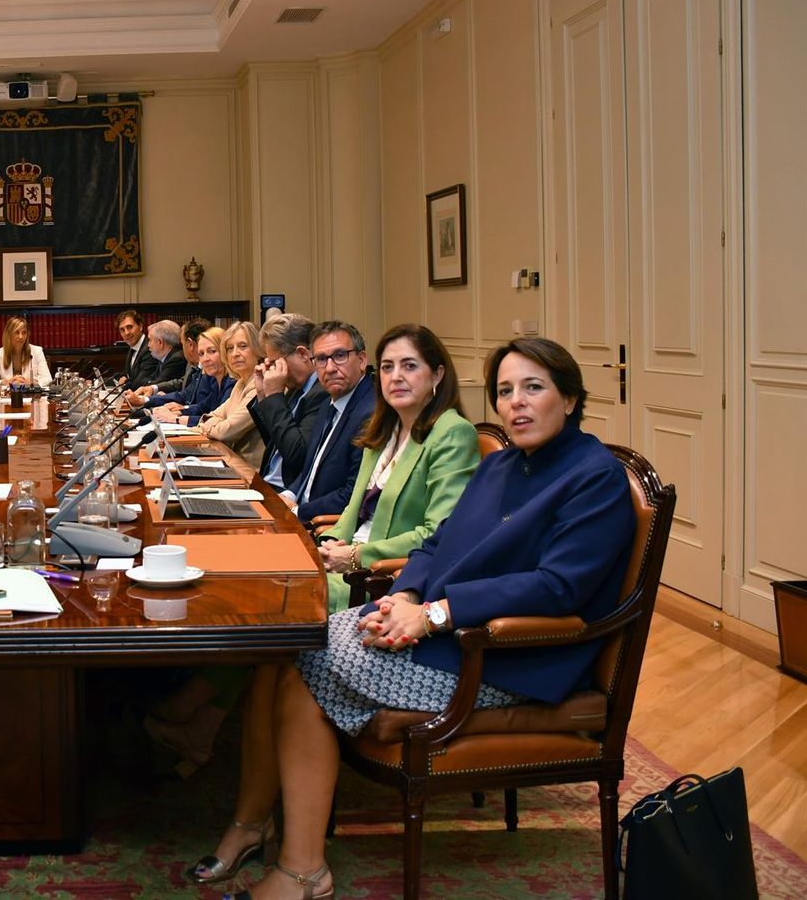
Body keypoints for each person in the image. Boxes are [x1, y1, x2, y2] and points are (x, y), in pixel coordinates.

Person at [197, 338, 634, 899]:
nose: (516, 403)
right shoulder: (501, 464)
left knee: (305, 657)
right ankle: (283, 850)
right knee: (291, 651)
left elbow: (557, 587)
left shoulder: (595, 476)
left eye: (534, 388)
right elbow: (437, 544)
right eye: (505, 391)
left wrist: (434, 614)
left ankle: (296, 865)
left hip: (510, 657)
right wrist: (403, 596)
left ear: (569, 398)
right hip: (444, 630)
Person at [314, 324, 479, 611]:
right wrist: (329, 546)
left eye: (409, 366)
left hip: (382, 580)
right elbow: (352, 511)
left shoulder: (453, 432)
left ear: (437, 374)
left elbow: (437, 534)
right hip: (344, 562)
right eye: (388, 367)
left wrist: (355, 556)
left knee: (278, 594)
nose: (396, 376)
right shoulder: (381, 429)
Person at [278, 321, 377, 522]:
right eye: (321, 359)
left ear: (361, 360)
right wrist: (288, 495)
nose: (330, 368)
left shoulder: (371, 413)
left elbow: (353, 494)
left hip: (325, 526)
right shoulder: (328, 403)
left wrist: (298, 512)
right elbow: (311, 468)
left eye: (340, 356)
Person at [249, 314, 323, 490]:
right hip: (267, 482)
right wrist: (263, 395)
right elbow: (275, 441)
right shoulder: (296, 389)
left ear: (303, 354)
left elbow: (297, 454)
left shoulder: (322, 393)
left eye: (276, 362)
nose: (274, 370)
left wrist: (275, 395)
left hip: (287, 491)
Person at [192, 320, 265, 466]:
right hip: (231, 461)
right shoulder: (240, 383)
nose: (235, 354)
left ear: (258, 349)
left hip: (249, 470)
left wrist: (209, 427)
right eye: (230, 348)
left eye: (243, 346)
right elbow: (211, 416)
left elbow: (227, 431)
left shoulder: (261, 384)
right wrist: (214, 424)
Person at [152, 327, 234, 426]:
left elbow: (218, 421)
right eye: (201, 354)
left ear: (225, 351)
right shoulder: (216, 383)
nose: (205, 359)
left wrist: (176, 418)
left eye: (212, 351)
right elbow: (202, 408)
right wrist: (178, 412)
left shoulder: (232, 383)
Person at [128, 319, 208, 407]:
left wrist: (182, 410)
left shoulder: (209, 369)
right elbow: (183, 388)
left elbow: (203, 407)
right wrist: (154, 391)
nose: (148, 345)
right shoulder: (191, 364)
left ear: (190, 344)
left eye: (182, 344)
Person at [0, 315, 52, 388]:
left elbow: (48, 379)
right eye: (17, 332)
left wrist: (32, 382)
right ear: (9, 334)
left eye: (24, 332)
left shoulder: (37, 351)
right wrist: (6, 382)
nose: (21, 337)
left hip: (31, 394)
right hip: (8, 394)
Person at [144, 320, 190, 390]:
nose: (148, 345)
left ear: (160, 342)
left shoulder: (177, 359)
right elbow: (151, 378)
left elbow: (156, 383)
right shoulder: (163, 357)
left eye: (150, 340)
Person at [115, 309, 154, 390]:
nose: (126, 333)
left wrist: (125, 382)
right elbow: (126, 374)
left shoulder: (150, 348)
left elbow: (140, 382)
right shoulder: (132, 347)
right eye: (122, 330)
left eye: (129, 327)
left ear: (140, 326)